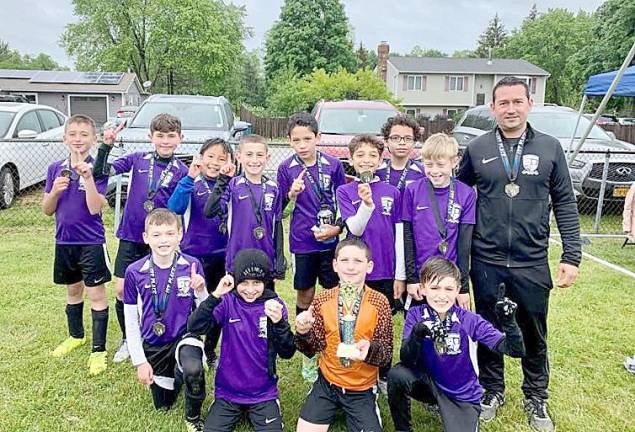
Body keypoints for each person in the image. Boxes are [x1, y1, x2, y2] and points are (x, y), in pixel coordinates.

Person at [457, 76, 581, 432]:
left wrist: (571, 255)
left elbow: (566, 203)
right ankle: (492, 390)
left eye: (517, 101)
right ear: (493, 108)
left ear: (529, 104)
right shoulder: (478, 148)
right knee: (488, 328)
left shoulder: (549, 147)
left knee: (533, 331)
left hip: (531, 261)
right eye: (503, 103)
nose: (510, 109)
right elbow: (458, 200)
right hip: (487, 260)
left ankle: (536, 395)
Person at [387, 256, 525, 432]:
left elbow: (515, 350)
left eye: (449, 288)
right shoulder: (415, 314)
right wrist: (416, 335)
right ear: (423, 289)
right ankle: (403, 429)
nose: (441, 295)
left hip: (461, 393)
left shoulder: (469, 319)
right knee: (397, 374)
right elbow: (406, 359)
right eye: (435, 288)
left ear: (457, 289)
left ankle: (457, 412)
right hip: (428, 383)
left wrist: (510, 324)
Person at [94, 113, 189, 363]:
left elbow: (180, 205)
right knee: (122, 290)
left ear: (180, 139)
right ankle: (128, 339)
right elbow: (102, 171)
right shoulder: (138, 159)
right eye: (160, 136)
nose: (165, 141)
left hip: (160, 241)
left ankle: (159, 336)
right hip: (131, 236)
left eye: (171, 136)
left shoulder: (182, 170)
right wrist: (106, 144)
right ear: (150, 137)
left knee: (158, 289)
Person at [187, 248, 296, 432]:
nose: (251, 289)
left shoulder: (274, 306)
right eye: (244, 282)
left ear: (266, 281)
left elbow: (287, 352)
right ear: (235, 280)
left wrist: (279, 323)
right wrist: (215, 295)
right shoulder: (227, 302)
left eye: (257, 282)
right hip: (228, 392)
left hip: (263, 393)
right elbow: (195, 326)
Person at [295, 238, 393, 432]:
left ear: (369, 266)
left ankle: (369, 401)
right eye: (344, 260)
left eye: (358, 261)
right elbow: (311, 348)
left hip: (361, 387)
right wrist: (303, 332)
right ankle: (319, 396)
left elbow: (386, 354)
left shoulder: (380, 302)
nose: (350, 267)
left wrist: (369, 350)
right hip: (328, 382)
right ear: (335, 265)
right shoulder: (322, 300)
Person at [123, 209, 208, 432]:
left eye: (170, 233)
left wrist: (200, 291)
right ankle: (175, 374)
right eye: (157, 234)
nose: (163, 240)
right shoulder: (134, 272)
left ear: (180, 234)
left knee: (194, 371)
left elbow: (204, 312)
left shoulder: (191, 265)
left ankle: (193, 418)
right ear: (146, 238)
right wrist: (140, 362)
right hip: (155, 343)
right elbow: (131, 321)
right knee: (163, 404)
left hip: (185, 337)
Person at [277, 112, 346, 382]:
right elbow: (279, 207)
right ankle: (306, 345)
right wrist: (290, 194)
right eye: (297, 140)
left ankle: (331, 340)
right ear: (289, 141)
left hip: (329, 241)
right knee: (304, 292)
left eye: (308, 138)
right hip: (302, 242)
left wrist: (337, 227)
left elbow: (344, 202)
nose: (303, 144)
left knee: (331, 293)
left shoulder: (333, 164)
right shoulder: (286, 168)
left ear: (318, 138)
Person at [42, 114, 111, 375]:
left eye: (84, 134)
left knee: (96, 295)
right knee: (73, 291)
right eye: (73, 134)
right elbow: (47, 210)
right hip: (64, 242)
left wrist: (88, 179)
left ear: (93, 139)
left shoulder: (100, 167)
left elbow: (95, 208)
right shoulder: (55, 168)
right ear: (65, 138)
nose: (78, 139)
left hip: (91, 242)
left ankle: (98, 350)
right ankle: (76, 335)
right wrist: (56, 191)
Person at [168, 138, 234, 367]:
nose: (215, 163)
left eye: (222, 158)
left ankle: (210, 350)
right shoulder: (190, 182)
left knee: (217, 303)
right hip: (192, 256)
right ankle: (187, 347)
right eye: (211, 157)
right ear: (201, 157)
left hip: (222, 256)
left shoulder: (230, 185)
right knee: (189, 304)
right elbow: (174, 208)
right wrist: (188, 177)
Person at [402, 133, 476, 311]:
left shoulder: (466, 194)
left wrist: (463, 286)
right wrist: (412, 279)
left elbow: (464, 244)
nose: (434, 170)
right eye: (428, 165)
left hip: (450, 278)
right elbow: (407, 236)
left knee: (452, 332)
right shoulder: (412, 190)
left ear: (454, 162)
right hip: (421, 277)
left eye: (441, 165)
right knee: (419, 331)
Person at [204, 134, 286, 286]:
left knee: (264, 306)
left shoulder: (274, 188)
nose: (254, 160)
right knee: (237, 305)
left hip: (265, 259)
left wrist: (279, 259)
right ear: (239, 157)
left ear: (267, 157)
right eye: (249, 155)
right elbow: (209, 211)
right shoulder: (232, 185)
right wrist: (222, 180)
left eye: (259, 155)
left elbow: (277, 225)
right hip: (237, 258)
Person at [376, 114, 425, 310]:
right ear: (386, 141)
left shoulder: (423, 172)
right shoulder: (377, 172)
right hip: (384, 238)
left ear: (414, 142)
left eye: (407, 138)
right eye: (396, 138)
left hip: (411, 236)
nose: (401, 143)